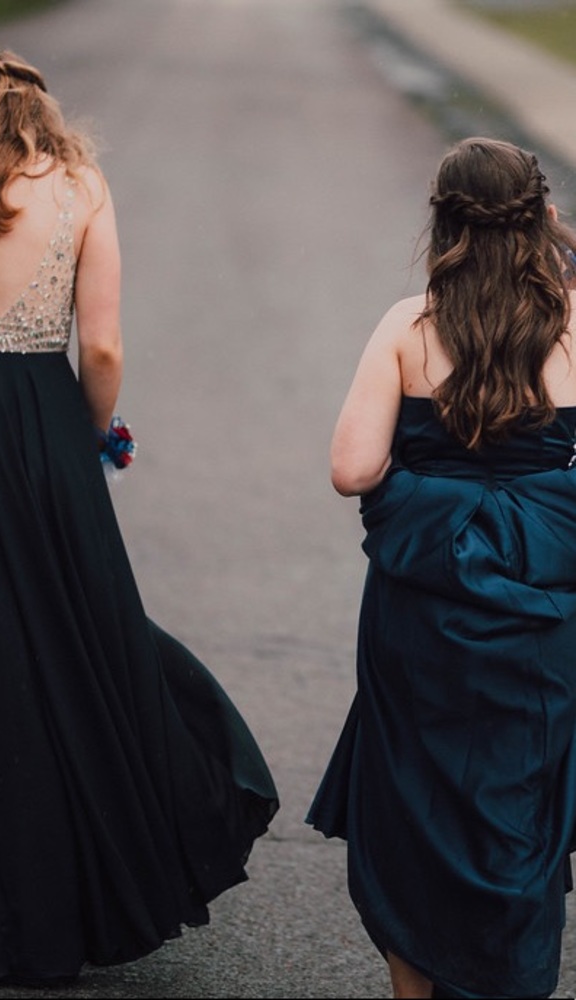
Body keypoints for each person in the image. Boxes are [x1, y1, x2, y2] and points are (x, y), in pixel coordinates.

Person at [0, 45, 279, 989]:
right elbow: (104, 341)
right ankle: (61, 892)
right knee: (64, 640)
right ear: (39, 113)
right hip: (42, 421)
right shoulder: (81, 187)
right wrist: (91, 433)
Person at [307, 135, 576, 999]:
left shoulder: (409, 322)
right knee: (521, 802)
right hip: (543, 608)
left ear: (444, 217)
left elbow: (352, 469)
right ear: (539, 215)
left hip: (420, 607)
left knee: (415, 798)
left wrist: (442, 494)